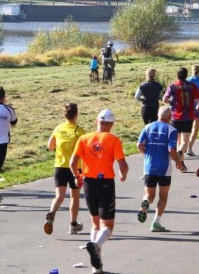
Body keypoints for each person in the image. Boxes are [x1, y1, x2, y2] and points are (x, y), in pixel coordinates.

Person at [71, 109, 128, 274]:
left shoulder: (84, 138)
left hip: (88, 183)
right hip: (106, 184)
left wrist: (77, 175)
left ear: (97, 121)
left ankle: (97, 267)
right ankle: (96, 245)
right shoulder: (113, 139)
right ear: (111, 124)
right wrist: (123, 174)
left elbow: (73, 161)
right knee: (108, 226)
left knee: (95, 222)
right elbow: (123, 164)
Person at [137, 106, 186, 232]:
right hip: (164, 168)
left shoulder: (147, 127)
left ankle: (145, 203)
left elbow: (139, 145)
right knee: (163, 196)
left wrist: (146, 155)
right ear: (170, 117)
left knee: (149, 194)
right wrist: (179, 163)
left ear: (158, 115)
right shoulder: (172, 130)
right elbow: (171, 149)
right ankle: (156, 222)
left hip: (149, 166)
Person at [44, 103, 86, 236]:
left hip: (59, 166)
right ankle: (73, 225)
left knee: (59, 196)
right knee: (75, 197)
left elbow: (50, 146)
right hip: (75, 168)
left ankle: (51, 215)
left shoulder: (58, 128)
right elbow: (85, 151)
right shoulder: (79, 131)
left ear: (64, 115)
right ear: (76, 115)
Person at [163, 67, 199, 160]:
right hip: (188, 116)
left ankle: (181, 161)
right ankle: (180, 153)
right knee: (185, 141)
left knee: (176, 139)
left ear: (177, 75)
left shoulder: (173, 86)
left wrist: (173, 102)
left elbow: (165, 99)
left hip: (175, 116)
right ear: (186, 75)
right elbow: (197, 99)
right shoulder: (192, 86)